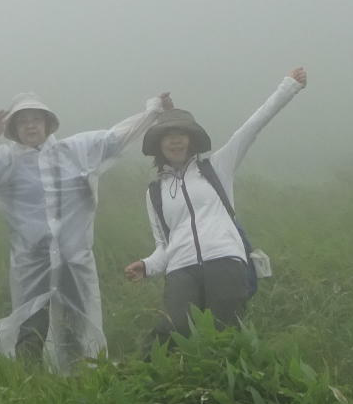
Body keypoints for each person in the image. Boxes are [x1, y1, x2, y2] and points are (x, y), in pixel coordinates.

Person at [0, 90, 171, 372]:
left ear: (48, 124)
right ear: (13, 129)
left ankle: (83, 373)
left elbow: (117, 136)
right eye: (23, 121)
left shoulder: (76, 150)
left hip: (74, 257)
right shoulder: (5, 160)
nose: (30, 125)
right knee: (31, 319)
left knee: (80, 316)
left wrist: (152, 110)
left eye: (36, 119)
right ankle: (29, 372)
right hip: (31, 259)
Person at [126, 68, 309, 338]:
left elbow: (253, 126)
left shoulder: (216, 168)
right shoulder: (155, 192)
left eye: (181, 134)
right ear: (159, 144)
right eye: (168, 135)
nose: (175, 140)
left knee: (225, 333)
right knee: (174, 329)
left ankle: (227, 379)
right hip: (180, 269)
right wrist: (147, 265)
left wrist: (288, 87)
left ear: (191, 141)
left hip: (224, 260)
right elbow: (165, 246)